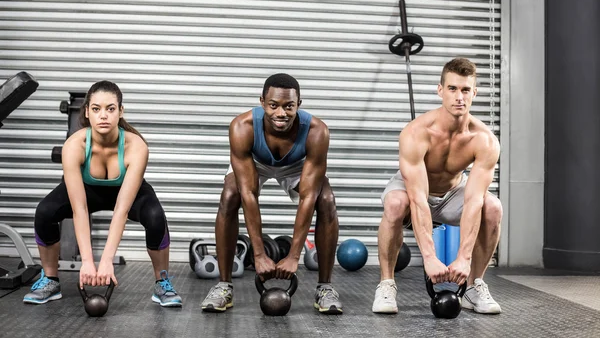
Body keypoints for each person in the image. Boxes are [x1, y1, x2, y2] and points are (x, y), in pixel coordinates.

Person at [23, 81, 182, 307]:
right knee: (45, 211)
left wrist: (107, 261)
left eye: (110, 108)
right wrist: (87, 262)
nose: (103, 115)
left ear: (120, 111)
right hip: (88, 192)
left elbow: (122, 210)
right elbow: (80, 209)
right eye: (96, 109)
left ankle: (162, 283)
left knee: (156, 217)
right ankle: (50, 279)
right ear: (87, 112)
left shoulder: (136, 147)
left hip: (127, 192)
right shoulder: (74, 146)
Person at [201, 73, 343, 314]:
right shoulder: (242, 127)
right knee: (230, 196)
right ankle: (224, 285)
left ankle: (325, 287)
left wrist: (293, 256)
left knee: (326, 199)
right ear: (262, 102)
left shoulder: (317, 131)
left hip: (297, 165)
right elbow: (248, 193)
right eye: (273, 105)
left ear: (299, 104)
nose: (281, 113)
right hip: (255, 162)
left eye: (289, 106)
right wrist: (259, 254)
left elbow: (308, 197)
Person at [372, 58, 503, 315]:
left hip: (453, 192)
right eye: (452, 89)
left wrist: (463, 258)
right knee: (396, 204)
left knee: (493, 207)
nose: (459, 97)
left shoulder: (485, 140)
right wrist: (430, 258)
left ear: (474, 93)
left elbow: (474, 200)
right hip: (414, 191)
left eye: (465, 90)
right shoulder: (416, 133)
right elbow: (418, 198)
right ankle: (386, 283)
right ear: (440, 90)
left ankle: (475, 285)